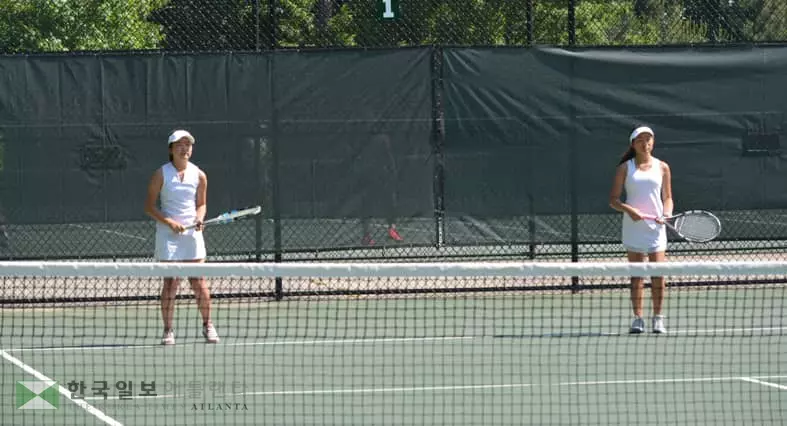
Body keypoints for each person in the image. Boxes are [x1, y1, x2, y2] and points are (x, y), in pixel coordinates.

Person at [144, 129, 219, 345]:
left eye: (188, 145)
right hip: (168, 235)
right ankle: (168, 330)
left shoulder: (199, 175)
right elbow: (149, 207)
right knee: (171, 283)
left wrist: (199, 218)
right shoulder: (161, 174)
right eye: (180, 145)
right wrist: (169, 222)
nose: (184, 148)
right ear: (171, 149)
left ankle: (208, 325)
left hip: (192, 234)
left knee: (199, 281)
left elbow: (201, 204)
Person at [608, 126, 673, 334]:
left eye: (649, 139)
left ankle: (658, 318)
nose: (645, 143)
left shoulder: (662, 167)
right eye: (640, 140)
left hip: (656, 228)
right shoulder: (624, 168)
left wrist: (666, 214)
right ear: (633, 144)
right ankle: (638, 319)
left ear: (653, 142)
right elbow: (613, 200)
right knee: (637, 275)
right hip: (633, 226)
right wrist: (629, 210)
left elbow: (668, 198)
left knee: (658, 274)